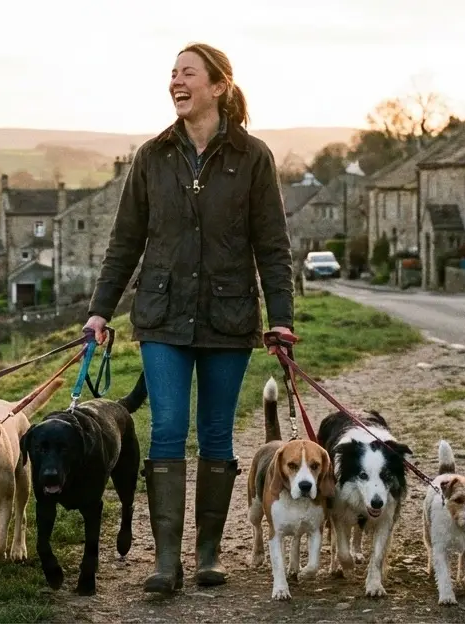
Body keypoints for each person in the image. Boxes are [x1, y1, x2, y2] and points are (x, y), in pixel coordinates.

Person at [82, 42, 294, 594]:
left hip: (228, 316)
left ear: (219, 86)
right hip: (160, 314)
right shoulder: (153, 156)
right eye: (172, 74)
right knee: (169, 430)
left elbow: (272, 246)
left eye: (188, 74)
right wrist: (101, 310)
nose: (177, 82)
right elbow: (125, 240)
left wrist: (282, 316)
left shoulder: (253, 158)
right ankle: (166, 562)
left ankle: (208, 555)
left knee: (216, 433)